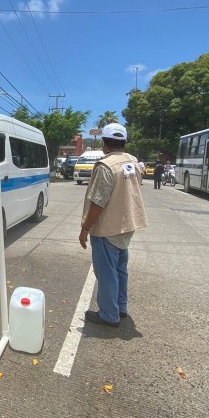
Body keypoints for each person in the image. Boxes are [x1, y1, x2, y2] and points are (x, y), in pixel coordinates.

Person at [79, 123, 149, 327]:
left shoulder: (106, 166)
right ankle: (120, 306)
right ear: (124, 142)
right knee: (120, 268)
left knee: (106, 272)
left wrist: (85, 228)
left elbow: (98, 201)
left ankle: (109, 314)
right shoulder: (133, 162)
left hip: (107, 228)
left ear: (103, 142)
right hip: (128, 224)